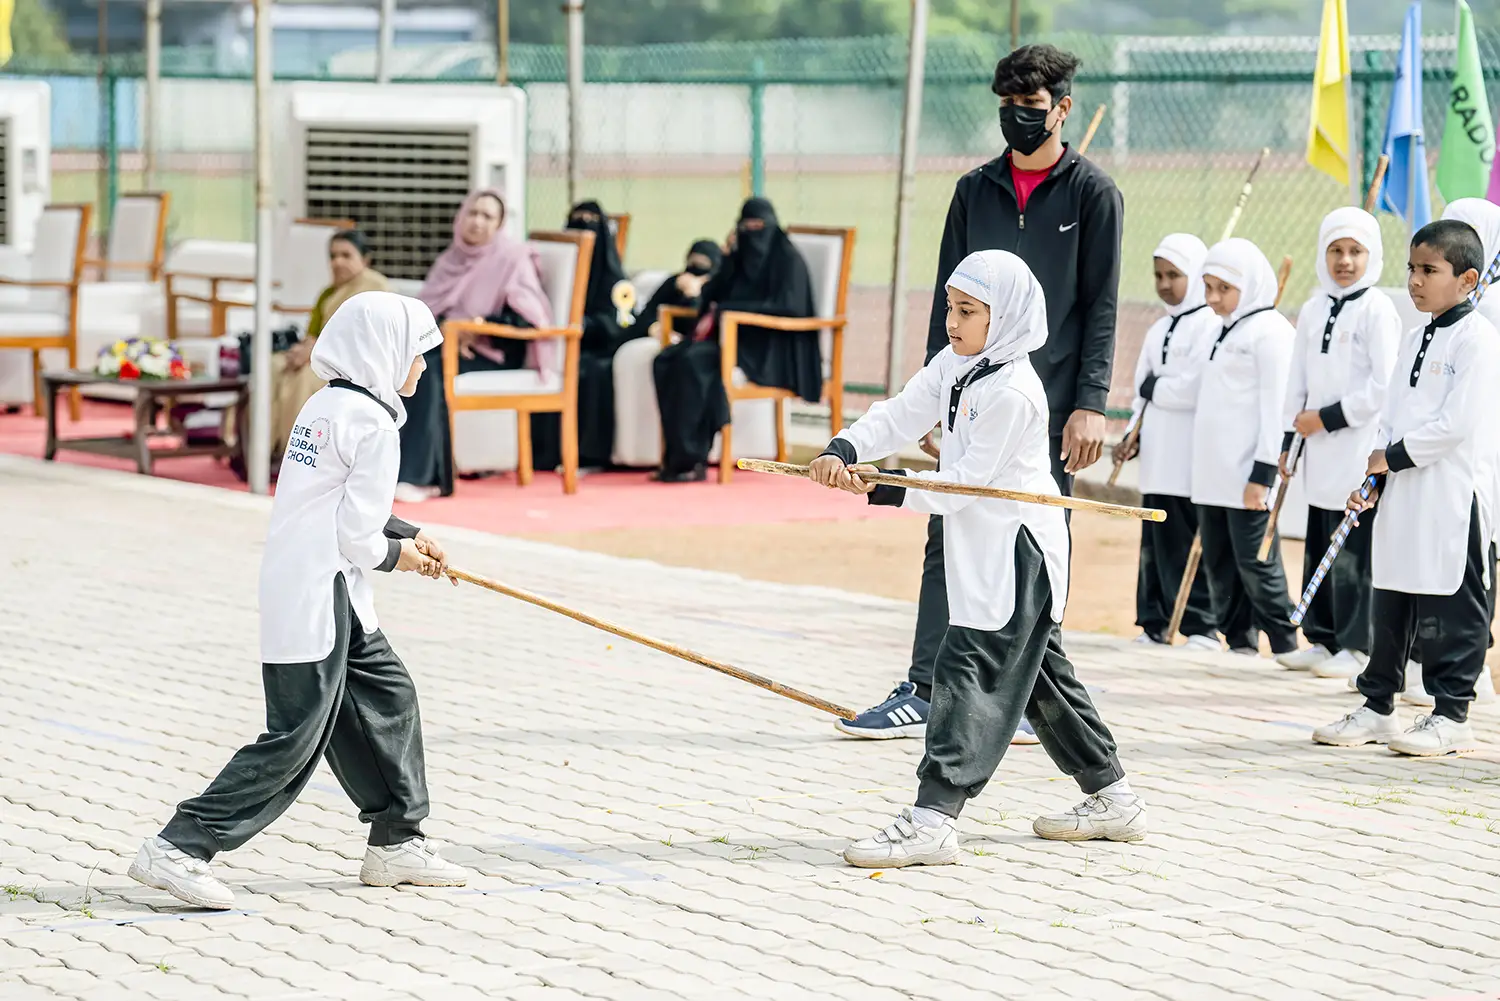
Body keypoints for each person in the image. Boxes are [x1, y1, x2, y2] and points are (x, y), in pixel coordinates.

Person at [128, 292, 468, 909]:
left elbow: (334, 501)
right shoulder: (371, 424)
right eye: (418, 355)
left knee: (389, 695)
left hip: (318, 586)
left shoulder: (327, 405)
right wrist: (404, 558)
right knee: (295, 736)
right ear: (384, 352)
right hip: (320, 593)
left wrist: (409, 532)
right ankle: (180, 845)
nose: (421, 368)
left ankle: (396, 840)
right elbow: (356, 537)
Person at [807, 250, 1143, 867]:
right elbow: (905, 411)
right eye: (949, 309)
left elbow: (965, 483)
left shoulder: (1014, 392)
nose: (953, 323)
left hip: (1018, 554)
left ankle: (933, 817)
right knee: (1042, 680)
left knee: (969, 668)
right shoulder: (957, 366)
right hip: (983, 549)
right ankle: (1112, 796)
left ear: (1006, 317)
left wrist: (881, 485)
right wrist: (845, 445)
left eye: (968, 312)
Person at [838, 43, 1123, 741]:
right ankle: (927, 684)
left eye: (1030, 109)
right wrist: (940, 396)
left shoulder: (1094, 195)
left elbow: (1101, 304)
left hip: (1047, 403)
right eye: (1007, 110)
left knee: (1034, 539)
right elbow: (951, 296)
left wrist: (1090, 401)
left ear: (1062, 109)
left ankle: (1024, 694)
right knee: (950, 523)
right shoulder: (974, 190)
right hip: (969, 390)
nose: (1018, 122)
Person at [1312, 220, 1500, 755]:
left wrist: (1390, 458)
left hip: (1452, 495)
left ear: (1467, 279)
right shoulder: (1416, 335)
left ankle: (1452, 713)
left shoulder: (1480, 340)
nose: (1415, 281)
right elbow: (1390, 417)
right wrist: (1374, 476)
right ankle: (1377, 706)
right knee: (1392, 596)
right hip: (1402, 490)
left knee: (1453, 603)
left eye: (1429, 270)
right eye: (1412, 269)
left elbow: (1456, 425)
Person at [1274, 209, 1400, 679]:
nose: (1345, 261)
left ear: (1373, 255)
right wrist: (1291, 438)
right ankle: (1323, 638)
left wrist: (1324, 419)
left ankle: (1356, 643)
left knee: (1351, 547)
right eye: (1336, 250)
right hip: (1316, 449)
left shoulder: (1377, 310)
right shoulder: (1313, 307)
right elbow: (1297, 381)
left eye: (1355, 251)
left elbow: (1383, 388)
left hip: (1356, 446)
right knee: (1317, 537)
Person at [396, 189, 553, 502]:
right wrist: (447, 333)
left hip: (493, 353)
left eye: (487, 216)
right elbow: (429, 310)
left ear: (499, 224)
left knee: (426, 372)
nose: (477, 222)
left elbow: (530, 318)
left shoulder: (511, 259)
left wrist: (479, 329)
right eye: (472, 213)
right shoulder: (450, 259)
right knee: (403, 362)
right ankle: (388, 467)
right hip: (448, 344)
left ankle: (426, 477)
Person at [651, 197, 816, 482]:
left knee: (695, 362)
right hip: (731, 342)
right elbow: (714, 293)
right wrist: (728, 257)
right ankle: (678, 458)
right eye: (745, 226)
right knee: (666, 359)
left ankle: (693, 459)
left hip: (770, 349)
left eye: (758, 226)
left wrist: (734, 311)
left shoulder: (788, 261)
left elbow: (792, 308)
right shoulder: (738, 259)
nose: (752, 233)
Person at [1190, 238, 1298, 658]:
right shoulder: (1226, 328)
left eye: (1223, 289)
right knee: (1220, 564)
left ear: (1250, 285)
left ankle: (1286, 643)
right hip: (1213, 476)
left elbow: (1276, 412)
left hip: (1247, 477)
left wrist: (1262, 475)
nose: (1213, 298)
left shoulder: (1270, 333)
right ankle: (1239, 642)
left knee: (1256, 563)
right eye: (1208, 287)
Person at [1115, 234, 1219, 650]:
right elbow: (1142, 388)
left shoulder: (1209, 325)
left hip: (1188, 457)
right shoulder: (1159, 327)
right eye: (1159, 275)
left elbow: (1195, 390)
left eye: (1174, 275)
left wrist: (1158, 387)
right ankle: (1154, 623)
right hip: (1157, 454)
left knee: (1185, 539)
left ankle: (1200, 625)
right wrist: (1130, 435)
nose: (1164, 283)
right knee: (1154, 543)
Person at [532, 201, 639, 472]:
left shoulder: (614, 276)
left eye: (591, 219)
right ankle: (544, 454)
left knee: (592, 372)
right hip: (559, 342)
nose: (583, 222)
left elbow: (620, 321)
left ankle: (589, 456)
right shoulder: (554, 270)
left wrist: (586, 325)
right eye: (577, 218)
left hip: (600, 348)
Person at [271, 230, 389, 464]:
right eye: (333, 256)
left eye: (346, 255)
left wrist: (314, 352)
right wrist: (302, 350)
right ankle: (261, 448)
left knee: (304, 378)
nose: (338, 262)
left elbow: (366, 338)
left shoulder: (375, 287)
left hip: (353, 366)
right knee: (273, 366)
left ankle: (295, 455)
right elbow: (313, 333)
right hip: (322, 356)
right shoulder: (329, 292)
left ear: (365, 260)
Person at [640, 240, 723, 339]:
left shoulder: (716, 289)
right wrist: (653, 327)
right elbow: (647, 314)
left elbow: (700, 324)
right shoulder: (674, 282)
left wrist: (693, 296)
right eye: (693, 263)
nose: (695, 271)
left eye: (703, 265)